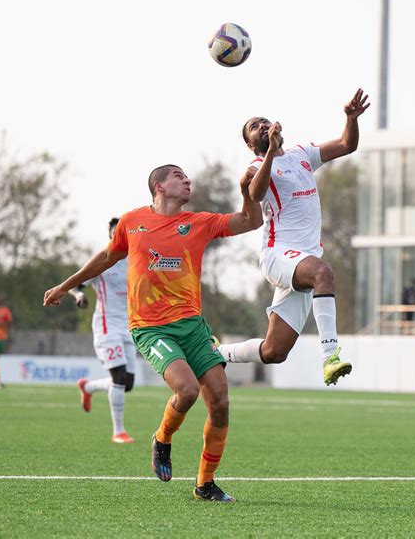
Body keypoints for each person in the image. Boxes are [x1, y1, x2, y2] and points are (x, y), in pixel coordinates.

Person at [44, 163, 262, 502]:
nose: (187, 180)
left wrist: (249, 191)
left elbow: (252, 221)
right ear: (158, 186)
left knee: (220, 401)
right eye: (178, 176)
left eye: (188, 177)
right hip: (150, 327)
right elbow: (105, 257)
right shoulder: (132, 222)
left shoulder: (199, 222)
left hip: (193, 326)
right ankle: (162, 439)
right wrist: (65, 285)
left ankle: (205, 484)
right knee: (187, 390)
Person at [218, 88, 370, 385]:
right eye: (254, 126)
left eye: (264, 121)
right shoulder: (254, 168)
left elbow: (345, 144)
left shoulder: (302, 154)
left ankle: (217, 352)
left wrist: (351, 119)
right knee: (323, 273)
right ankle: (331, 357)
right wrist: (270, 154)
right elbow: (256, 193)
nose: (262, 125)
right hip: (279, 255)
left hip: (302, 261)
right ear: (251, 145)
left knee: (275, 351)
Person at [69, 217, 136, 444]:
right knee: (118, 377)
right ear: (110, 235)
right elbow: (76, 285)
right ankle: (119, 431)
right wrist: (79, 295)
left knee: (127, 384)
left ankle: (87, 386)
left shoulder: (136, 260)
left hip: (130, 327)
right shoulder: (103, 261)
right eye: (116, 232)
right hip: (107, 327)